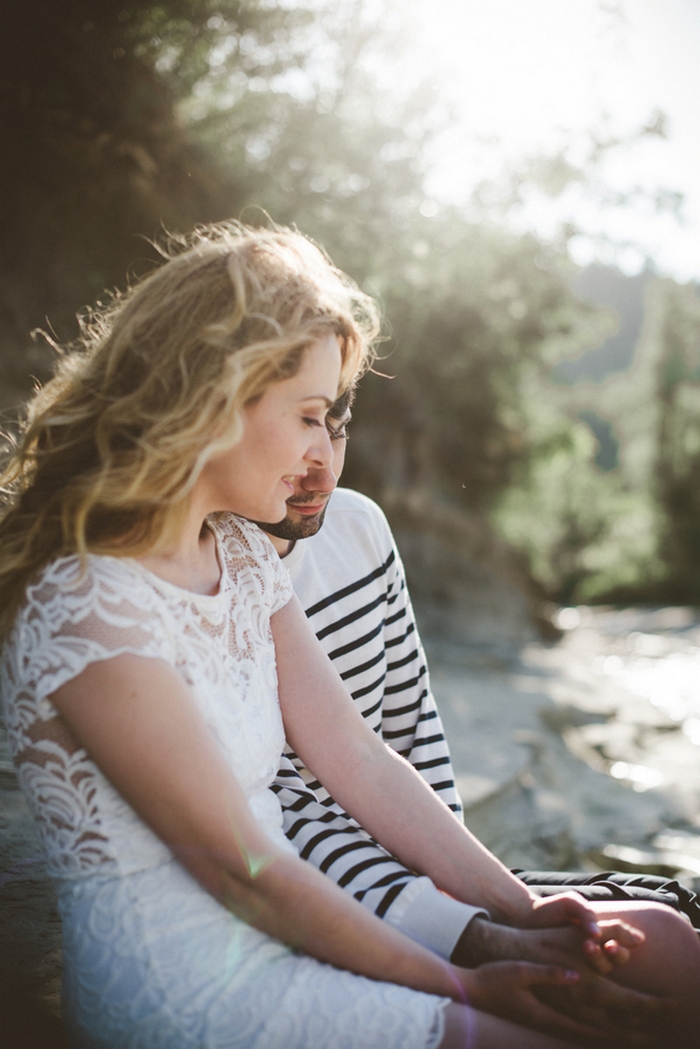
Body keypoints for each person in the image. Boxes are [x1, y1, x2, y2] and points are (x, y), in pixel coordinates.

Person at [0, 222, 697, 1049]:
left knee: (674, 958)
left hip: (285, 922)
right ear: (216, 396)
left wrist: (525, 906)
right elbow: (240, 872)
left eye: (334, 418)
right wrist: (464, 983)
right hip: (187, 981)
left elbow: (361, 758)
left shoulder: (242, 555)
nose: (319, 453)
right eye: (306, 415)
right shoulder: (89, 601)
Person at [254, 389, 700, 978]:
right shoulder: (225, 579)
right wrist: (474, 933)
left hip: (434, 872)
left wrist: (472, 885)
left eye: (337, 428)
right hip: (344, 910)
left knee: (677, 902)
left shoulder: (361, 528)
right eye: (302, 425)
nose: (324, 468)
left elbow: (412, 729)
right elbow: (284, 820)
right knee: (655, 952)